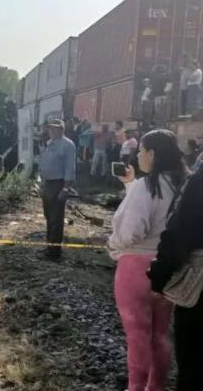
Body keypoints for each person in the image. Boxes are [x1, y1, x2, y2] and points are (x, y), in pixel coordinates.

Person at [108, 129, 187, 391]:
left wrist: (112, 244)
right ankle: (156, 387)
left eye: (141, 150)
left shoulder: (147, 186)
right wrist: (130, 184)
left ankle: (135, 386)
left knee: (137, 336)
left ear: (152, 154)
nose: (138, 155)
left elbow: (132, 230)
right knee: (160, 335)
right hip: (168, 268)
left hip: (135, 268)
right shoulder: (183, 184)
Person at [148, 166, 203, 390]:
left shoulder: (198, 181)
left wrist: (160, 278)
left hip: (199, 292)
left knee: (194, 362)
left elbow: (179, 232)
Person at [38, 119, 76, 261]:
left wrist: (65, 188)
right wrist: (42, 184)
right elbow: (44, 163)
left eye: (54, 128)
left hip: (58, 184)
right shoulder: (49, 143)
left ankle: (54, 252)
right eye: (49, 128)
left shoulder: (67, 145)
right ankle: (50, 246)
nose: (51, 131)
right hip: (47, 183)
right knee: (48, 216)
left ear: (61, 129)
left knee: (56, 218)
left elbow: (69, 168)